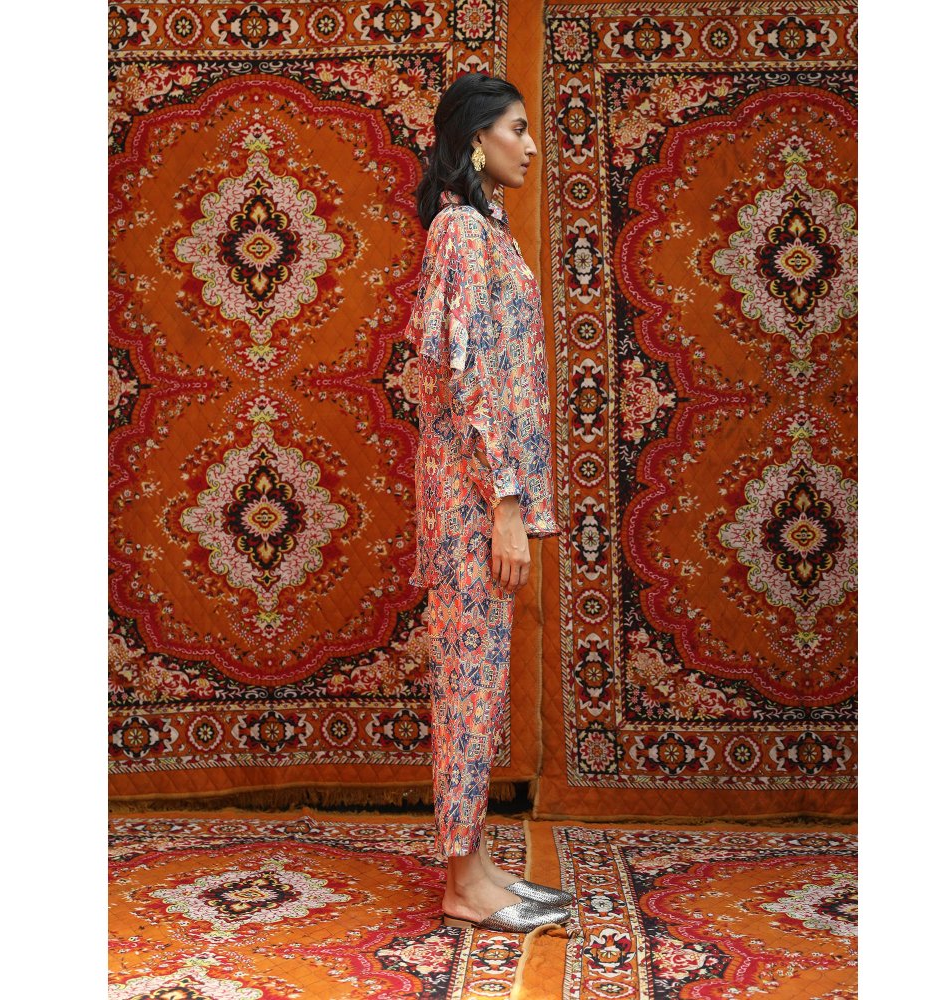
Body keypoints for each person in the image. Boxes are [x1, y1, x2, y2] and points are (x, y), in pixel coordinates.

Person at [404, 73, 570, 933]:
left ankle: (475, 863)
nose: (531, 146)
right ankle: (462, 885)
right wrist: (505, 501)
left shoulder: (482, 230)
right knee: (467, 682)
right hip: (474, 494)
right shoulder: (461, 233)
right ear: (475, 138)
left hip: (481, 487)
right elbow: (464, 381)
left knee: (480, 678)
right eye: (516, 128)